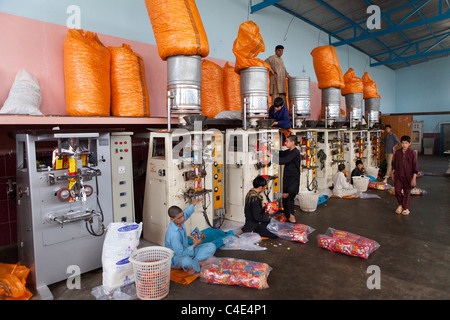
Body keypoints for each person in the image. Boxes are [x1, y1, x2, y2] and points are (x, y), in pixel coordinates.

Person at [165, 199, 216, 274]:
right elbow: (180, 254)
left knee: (211, 246)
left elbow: (186, 213)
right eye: (179, 218)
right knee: (185, 260)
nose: (183, 219)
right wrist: (195, 245)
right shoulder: (173, 234)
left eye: (182, 216)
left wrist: (193, 204)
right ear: (172, 219)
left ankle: (193, 263)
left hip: (187, 249)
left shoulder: (178, 221)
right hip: (177, 257)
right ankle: (199, 263)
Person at [274, 134, 301, 223]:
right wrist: (272, 151)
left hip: (293, 180)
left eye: (287, 141)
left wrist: (271, 156)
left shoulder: (295, 152)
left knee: (289, 198)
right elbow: (281, 153)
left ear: (293, 143)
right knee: (285, 198)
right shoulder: (290, 151)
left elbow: (284, 160)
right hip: (287, 179)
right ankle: (287, 217)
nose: (285, 143)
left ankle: (292, 218)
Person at [391, 135, 419, 216]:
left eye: (406, 143)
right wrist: (392, 173)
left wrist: (414, 178)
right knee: (397, 190)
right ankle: (400, 204)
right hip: (399, 175)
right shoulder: (397, 153)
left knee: (407, 192)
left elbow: (415, 166)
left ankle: (406, 208)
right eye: (403, 143)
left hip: (408, 176)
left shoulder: (412, 153)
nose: (404, 145)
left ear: (409, 143)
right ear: (401, 143)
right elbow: (395, 164)